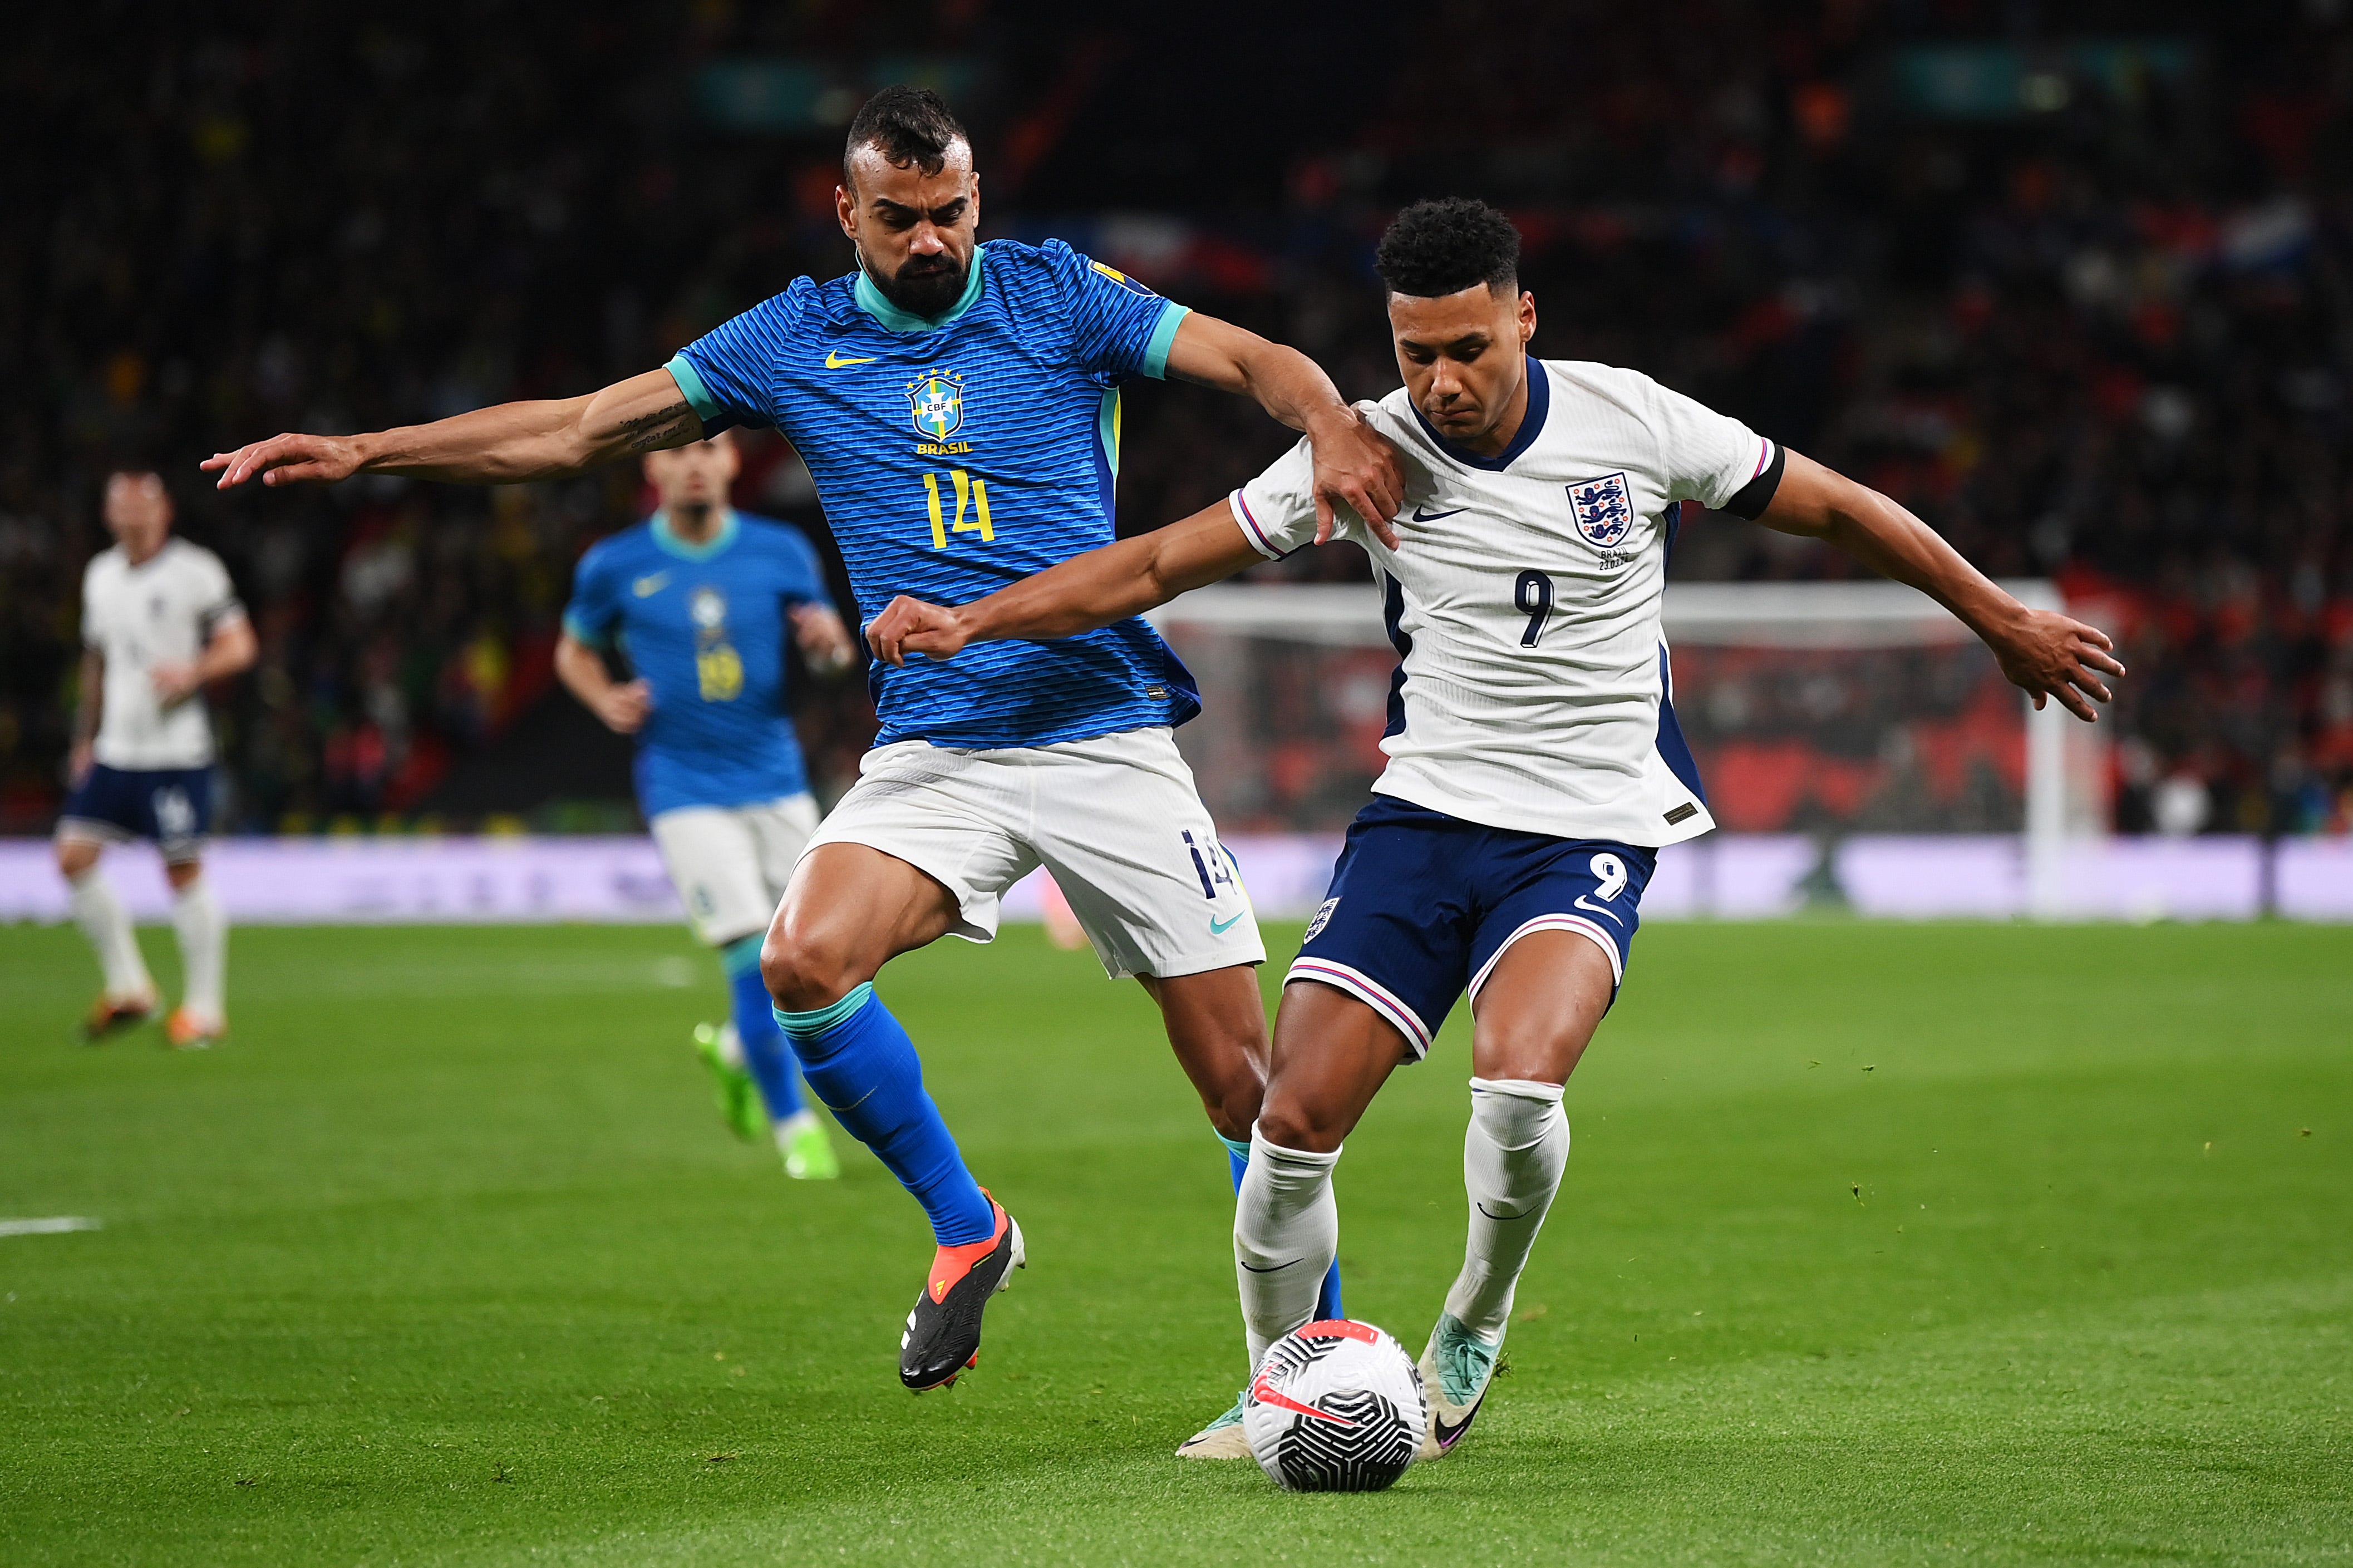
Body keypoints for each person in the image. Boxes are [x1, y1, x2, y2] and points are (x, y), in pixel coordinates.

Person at [865, 196, 2128, 1456]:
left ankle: (1474, 1312)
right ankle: (1277, 1388)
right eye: (1415, 353)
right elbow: (1153, 566)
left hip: (1586, 822)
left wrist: (1999, 617)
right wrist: (973, 619)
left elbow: (1839, 505)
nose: (1442, 381)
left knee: (1518, 1083)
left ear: (1525, 317)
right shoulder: (1366, 453)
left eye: (1468, 348)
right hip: (1423, 819)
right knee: (1287, 1126)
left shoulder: (1633, 421)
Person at [203, 86, 1394, 1391]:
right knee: (802, 960)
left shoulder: (1058, 294)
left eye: (950, 213)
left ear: (977, 200)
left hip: (1102, 728)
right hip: (936, 747)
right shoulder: (790, 337)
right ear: (845, 212)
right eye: (899, 218)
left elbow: (1254, 361)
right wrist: (368, 449)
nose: (930, 240)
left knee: (1246, 1091)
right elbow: (577, 429)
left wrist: (1331, 421)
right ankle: (968, 1226)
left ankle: (1307, 1369)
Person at [556, 429, 856, 1180]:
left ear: (730, 461)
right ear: (652, 465)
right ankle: (796, 1129)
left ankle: (735, 1047)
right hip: (684, 786)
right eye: (677, 452)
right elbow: (573, 650)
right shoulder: (615, 564)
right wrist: (604, 698)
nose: (694, 463)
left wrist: (828, 647)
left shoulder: (780, 550)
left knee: (822, 952)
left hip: (778, 779)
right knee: (752, 953)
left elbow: (834, 657)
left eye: (708, 448)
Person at [57, 468, 258, 1049]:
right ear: (108, 514)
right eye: (121, 506)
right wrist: (85, 737)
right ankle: (130, 988)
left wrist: (194, 672)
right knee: (73, 857)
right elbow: (96, 662)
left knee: (181, 871)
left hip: (176, 753)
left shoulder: (195, 571)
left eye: (142, 505)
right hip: (117, 750)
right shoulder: (100, 576)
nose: (132, 516)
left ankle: (205, 1011)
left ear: (164, 510)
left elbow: (241, 645)